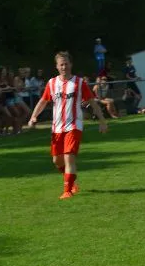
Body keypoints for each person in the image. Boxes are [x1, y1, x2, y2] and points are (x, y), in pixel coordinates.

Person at [28, 51, 107, 200]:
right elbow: (43, 101)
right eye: (61, 64)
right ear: (57, 66)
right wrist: (33, 116)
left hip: (73, 126)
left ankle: (67, 190)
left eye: (66, 64)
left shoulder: (79, 83)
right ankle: (72, 182)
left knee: (68, 157)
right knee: (57, 160)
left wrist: (102, 121)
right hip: (57, 128)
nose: (64, 67)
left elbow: (92, 102)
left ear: (71, 64)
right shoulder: (52, 83)